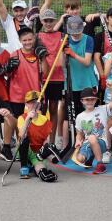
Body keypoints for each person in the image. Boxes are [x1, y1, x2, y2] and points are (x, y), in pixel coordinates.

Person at [2, 27, 44, 160]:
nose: (27, 42)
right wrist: (8, 67)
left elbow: (46, 73)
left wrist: (44, 57)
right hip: (17, 94)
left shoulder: (38, 54)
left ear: (34, 39)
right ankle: (7, 146)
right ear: (20, 41)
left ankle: (24, 148)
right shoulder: (15, 54)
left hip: (33, 96)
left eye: (30, 39)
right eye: (24, 40)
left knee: (30, 123)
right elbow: (7, 73)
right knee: (15, 121)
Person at [37, 9, 67, 146]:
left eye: (51, 20)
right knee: (42, 109)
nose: (48, 23)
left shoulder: (61, 35)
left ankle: (52, 141)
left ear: (54, 21)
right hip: (42, 78)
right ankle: (41, 140)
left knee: (53, 108)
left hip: (57, 78)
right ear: (42, 21)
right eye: (45, 20)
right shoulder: (38, 36)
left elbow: (61, 62)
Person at [16, 91, 58, 183]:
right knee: (24, 139)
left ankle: (41, 171)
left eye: (37, 102)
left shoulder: (45, 120)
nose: (35, 105)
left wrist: (47, 152)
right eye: (32, 102)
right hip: (26, 149)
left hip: (38, 151)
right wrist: (27, 119)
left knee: (40, 166)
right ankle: (24, 168)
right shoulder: (21, 118)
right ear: (26, 104)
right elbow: (21, 135)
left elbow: (45, 140)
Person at [73, 87, 112, 173]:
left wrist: (111, 89)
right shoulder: (79, 117)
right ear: (82, 101)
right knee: (80, 159)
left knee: (92, 138)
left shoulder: (102, 109)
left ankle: (100, 164)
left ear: (96, 100)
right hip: (87, 143)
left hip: (102, 142)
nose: (90, 101)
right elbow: (79, 133)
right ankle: (90, 157)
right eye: (87, 99)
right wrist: (78, 141)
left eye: (92, 99)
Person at [64, 16, 98, 115]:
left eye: (77, 31)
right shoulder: (65, 40)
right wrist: (62, 51)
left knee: (90, 114)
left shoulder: (88, 39)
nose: (75, 33)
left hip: (87, 83)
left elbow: (87, 62)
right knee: (70, 116)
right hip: (71, 84)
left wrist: (73, 54)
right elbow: (61, 64)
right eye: (72, 31)